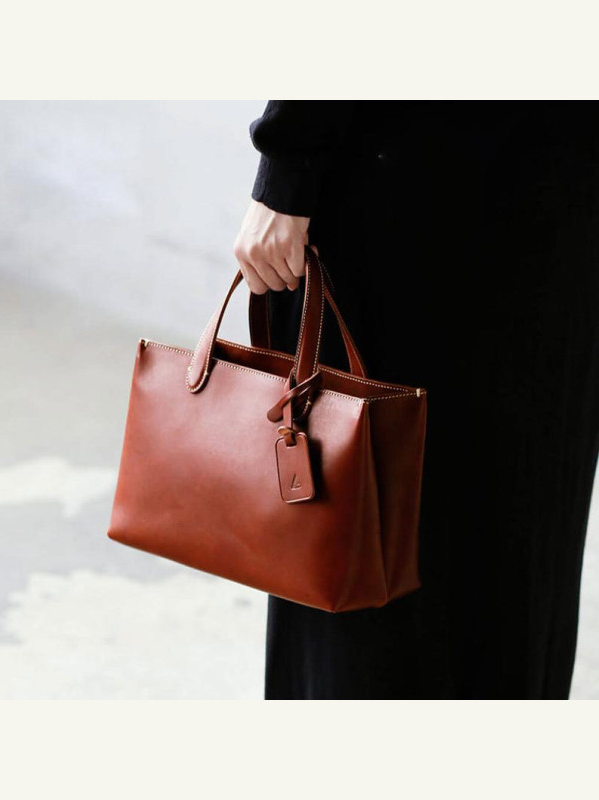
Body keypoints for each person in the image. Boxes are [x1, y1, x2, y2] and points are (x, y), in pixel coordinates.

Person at [233, 100, 599, 700]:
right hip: (559, 190)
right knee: (513, 542)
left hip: (404, 196)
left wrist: (288, 164)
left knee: (365, 556)